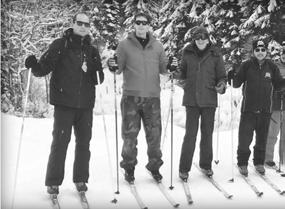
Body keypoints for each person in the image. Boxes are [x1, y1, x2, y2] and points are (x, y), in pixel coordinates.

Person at [25, 12, 104, 194]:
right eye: (79, 23)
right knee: (60, 143)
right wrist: (33, 64)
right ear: (73, 24)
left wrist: (91, 68)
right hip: (64, 104)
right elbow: (43, 69)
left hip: (85, 106)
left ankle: (81, 180)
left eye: (86, 24)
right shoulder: (60, 45)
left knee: (84, 144)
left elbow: (99, 78)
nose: (83, 26)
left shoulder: (92, 50)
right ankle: (53, 182)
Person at [107, 12, 176, 183]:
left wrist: (170, 66)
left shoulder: (158, 46)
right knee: (130, 136)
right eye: (138, 22)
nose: (141, 25)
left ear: (149, 25)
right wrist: (112, 65)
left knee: (154, 136)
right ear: (134, 24)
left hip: (152, 98)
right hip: (131, 97)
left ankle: (154, 166)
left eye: (144, 22)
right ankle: (129, 167)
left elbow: (164, 69)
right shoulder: (124, 45)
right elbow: (118, 68)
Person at [228, 39, 285, 176]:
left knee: (262, 138)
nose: (260, 52)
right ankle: (242, 163)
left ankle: (259, 162)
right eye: (257, 50)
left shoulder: (271, 66)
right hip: (248, 109)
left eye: (263, 50)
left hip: (266, 109)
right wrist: (231, 76)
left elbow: (278, 85)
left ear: (266, 51)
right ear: (253, 52)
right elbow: (236, 83)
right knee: (244, 139)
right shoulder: (246, 65)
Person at [177, 26, 227, 181]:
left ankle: (206, 165)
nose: (200, 40)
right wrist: (178, 77)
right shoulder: (187, 52)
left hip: (209, 99)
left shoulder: (215, 54)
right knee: (190, 135)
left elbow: (222, 76)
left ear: (208, 38)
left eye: (203, 37)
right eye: (197, 37)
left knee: (207, 134)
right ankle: (184, 168)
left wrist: (222, 85)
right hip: (191, 100)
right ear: (194, 38)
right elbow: (182, 72)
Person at [265, 49, 285, 168]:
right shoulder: (274, 66)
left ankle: (283, 159)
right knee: (272, 133)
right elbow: (270, 83)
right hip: (276, 105)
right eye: (283, 54)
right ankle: (268, 158)